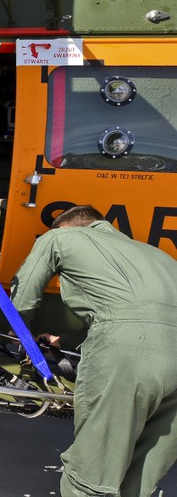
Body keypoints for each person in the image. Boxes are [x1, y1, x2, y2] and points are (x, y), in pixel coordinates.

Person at [10, 205, 177, 496]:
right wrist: (64, 342)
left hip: (129, 355)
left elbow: (25, 290)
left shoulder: (60, 238)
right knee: (141, 475)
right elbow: (142, 314)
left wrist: (17, 329)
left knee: (93, 474)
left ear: (69, 227)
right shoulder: (158, 256)